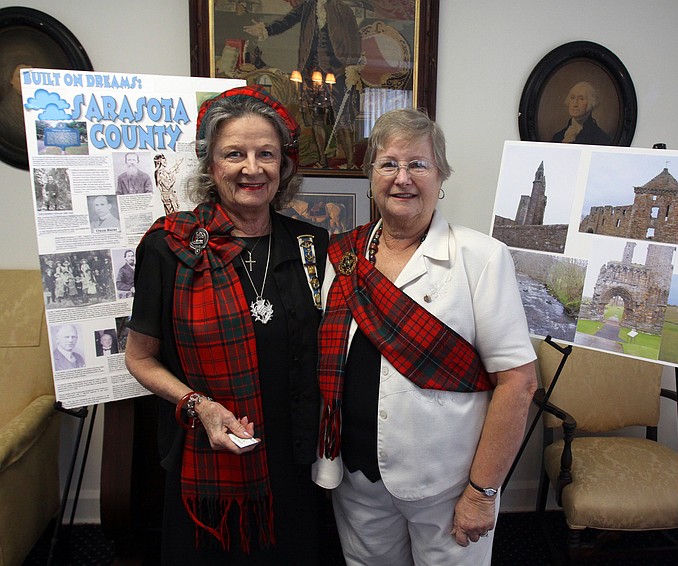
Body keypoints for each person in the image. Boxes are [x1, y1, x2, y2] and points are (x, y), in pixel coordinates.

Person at [313, 108, 538, 564]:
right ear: (371, 175)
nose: (403, 178)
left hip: (448, 487)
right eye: (389, 163)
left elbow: (519, 382)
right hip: (357, 481)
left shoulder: (482, 258)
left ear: (441, 177)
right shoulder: (342, 258)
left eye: (418, 164)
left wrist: (482, 492)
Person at [124, 85, 330, 564]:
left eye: (266, 154)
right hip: (209, 461)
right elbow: (139, 357)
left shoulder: (311, 245)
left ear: (285, 165)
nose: (252, 168)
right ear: (210, 164)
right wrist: (198, 405)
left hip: (296, 460)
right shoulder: (168, 247)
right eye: (234, 154)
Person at [243, 0, 362, 168]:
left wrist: (352, 65)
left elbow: (354, 37)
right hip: (311, 71)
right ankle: (323, 161)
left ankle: (351, 164)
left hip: (338, 71)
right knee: (317, 119)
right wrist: (266, 30)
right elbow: (287, 21)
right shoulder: (307, 7)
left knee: (343, 119)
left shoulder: (343, 9)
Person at [551, 81, 612, 145]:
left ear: (591, 103)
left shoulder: (602, 138)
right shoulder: (558, 137)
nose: (575, 104)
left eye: (581, 99)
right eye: (572, 98)